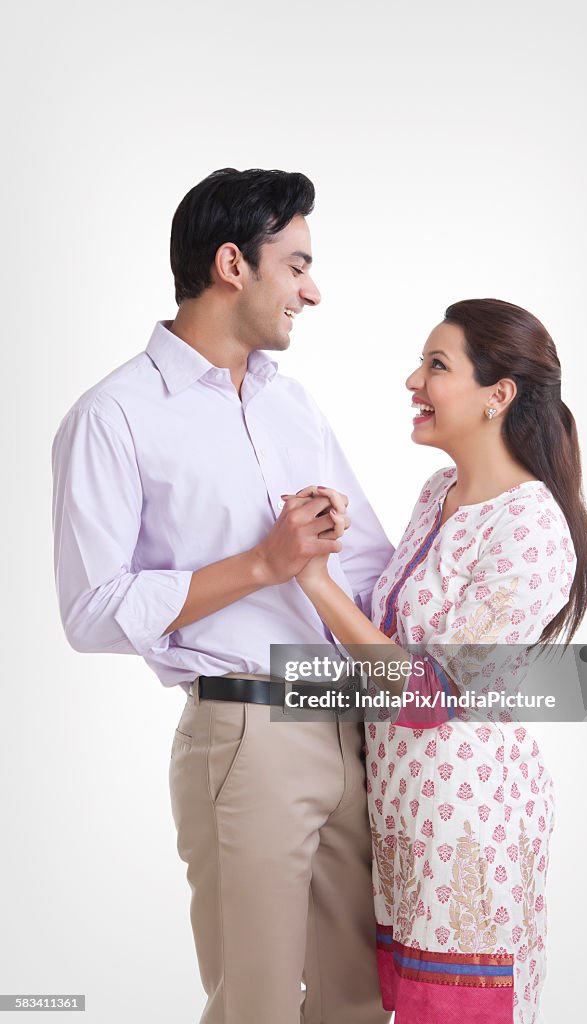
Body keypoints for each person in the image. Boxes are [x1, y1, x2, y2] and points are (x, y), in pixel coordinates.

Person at [51, 168, 394, 1024]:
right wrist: (262, 564)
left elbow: (366, 569)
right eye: (299, 264)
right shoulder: (115, 415)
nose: (313, 291)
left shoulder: (294, 406)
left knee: (358, 999)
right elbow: (91, 612)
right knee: (259, 1005)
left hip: (347, 726)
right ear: (233, 263)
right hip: (244, 731)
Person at [293, 298, 587, 1024]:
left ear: (499, 395)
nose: (412, 380)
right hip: (406, 812)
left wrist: (313, 582)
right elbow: (391, 636)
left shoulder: (531, 525)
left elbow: (428, 693)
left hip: (470, 820)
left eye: (436, 365)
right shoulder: (438, 496)